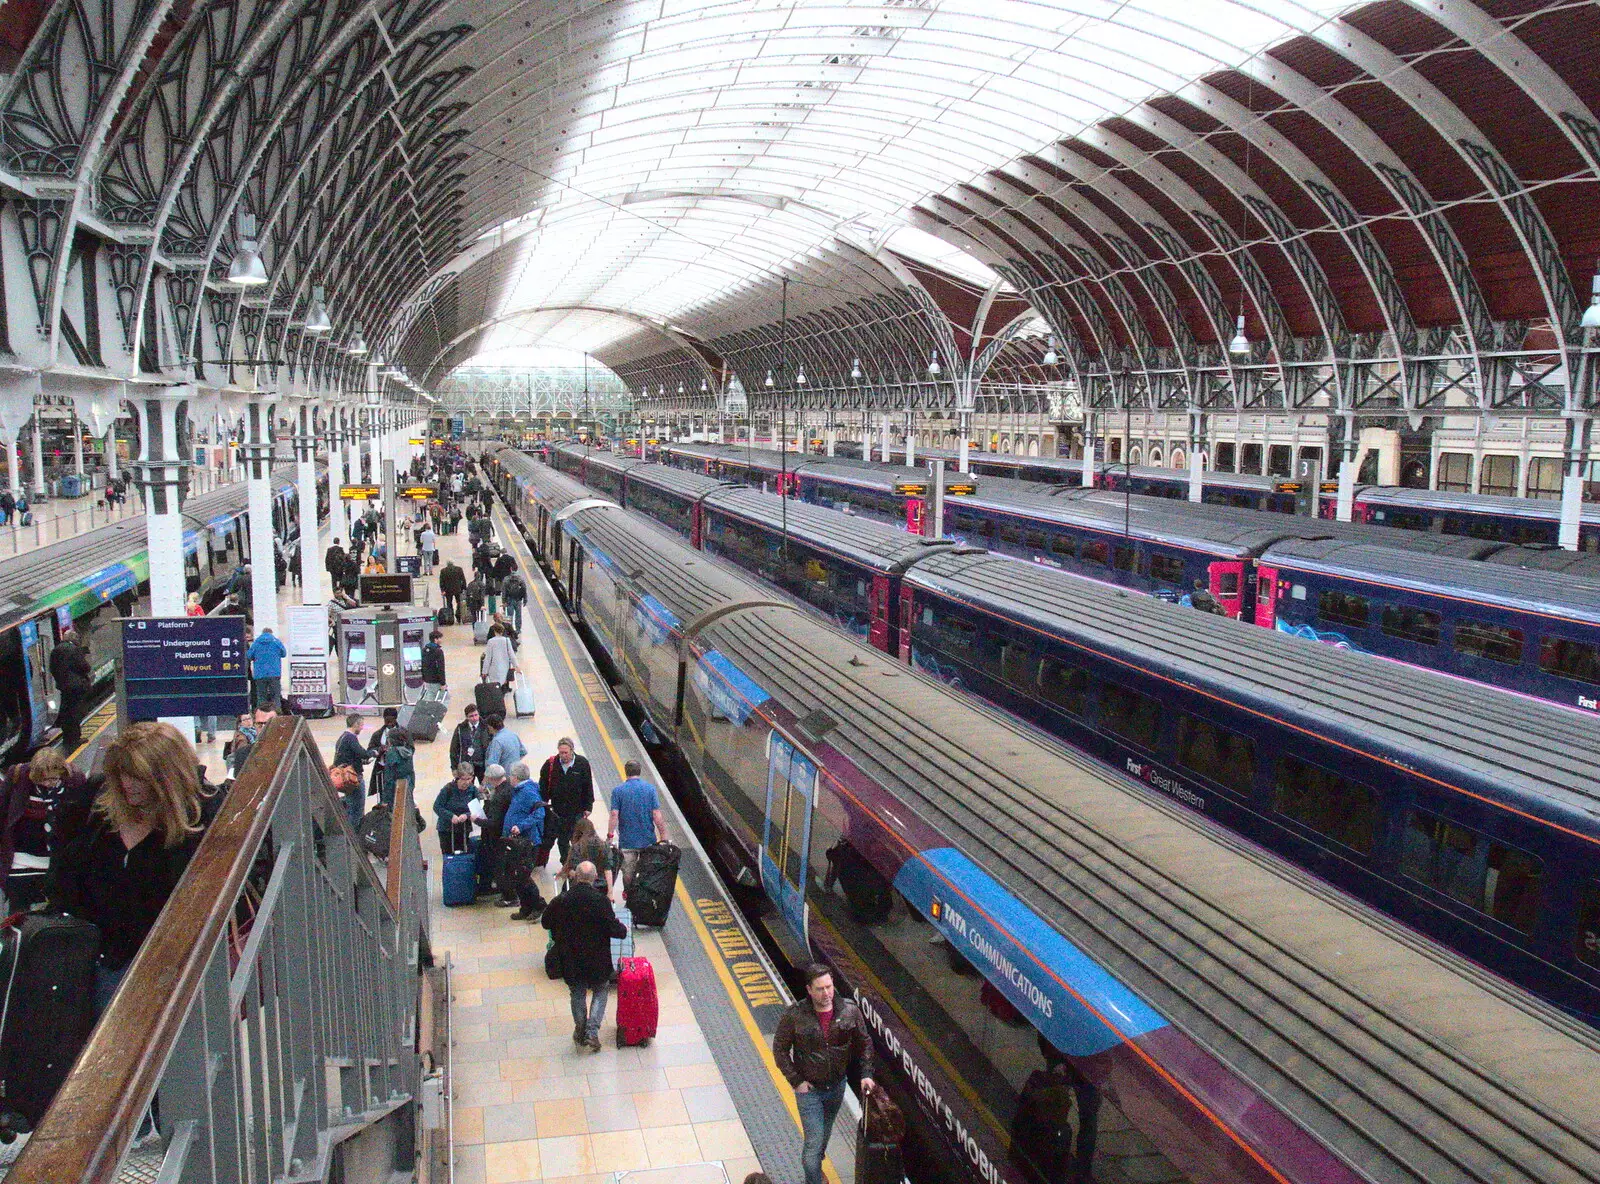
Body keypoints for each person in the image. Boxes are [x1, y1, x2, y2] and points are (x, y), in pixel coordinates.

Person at [50, 722, 212, 1012]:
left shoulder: (204, 818)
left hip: (176, 968)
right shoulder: (94, 810)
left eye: (138, 776)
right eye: (122, 773)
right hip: (104, 962)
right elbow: (65, 880)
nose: (127, 784)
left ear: (166, 777)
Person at [773, 965, 875, 1184]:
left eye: (829, 987)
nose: (826, 993)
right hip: (809, 1091)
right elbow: (779, 1050)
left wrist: (866, 1073)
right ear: (809, 990)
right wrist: (797, 1081)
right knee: (813, 1146)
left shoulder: (849, 1010)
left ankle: (816, 1174)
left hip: (837, 1087)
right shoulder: (795, 1015)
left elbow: (864, 1042)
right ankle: (814, 1180)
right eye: (820, 989)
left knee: (823, 1137)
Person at [541, 861, 626, 1051]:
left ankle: (580, 1028)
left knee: (577, 992)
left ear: (576, 877)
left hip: (570, 958)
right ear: (595, 878)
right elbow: (615, 929)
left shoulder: (562, 900)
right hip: (597, 958)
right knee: (600, 990)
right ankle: (592, 1032)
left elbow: (546, 922)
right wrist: (622, 929)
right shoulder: (601, 901)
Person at [0, 748, 92, 911]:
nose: (48, 783)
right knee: (19, 908)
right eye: (42, 780)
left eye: (53, 779)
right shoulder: (18, 775)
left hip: (57, 859)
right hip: (22, 859)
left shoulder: (75, 779)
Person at [607, 760, 666, 899]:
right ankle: (645, 897)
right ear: (639, 771)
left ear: (625, 772)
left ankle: (628, 893)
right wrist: (663, 836)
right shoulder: (650, 789)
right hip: (647, 840)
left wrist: (610, 836)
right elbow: (656, 814)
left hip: (627, 841)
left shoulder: (618, 791)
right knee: (648, 871)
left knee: (628, 873)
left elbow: (614, 814)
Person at [538, 737, 593, 870]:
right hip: (558, 811)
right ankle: (566, 864)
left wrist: (588, 806)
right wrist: (543, 804)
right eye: (561, 752)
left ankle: (578, 865)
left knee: (578, 841)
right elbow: (543, 785)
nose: (563, 756)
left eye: (565, 753)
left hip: (577, 811)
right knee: (562, 840)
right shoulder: (551, 764)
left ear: (572, 750)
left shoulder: (582, 763)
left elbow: (588, 786)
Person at [502, 761, 547, 921]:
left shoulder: (528, 792)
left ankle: (539, 905)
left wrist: (520, 826)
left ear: (516, 777)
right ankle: (526, 907)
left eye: (511, 776)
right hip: (517, 842)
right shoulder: (520, 790)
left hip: (527, 843)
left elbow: (540, 813)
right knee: (517, 876)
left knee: (523, 876)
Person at [50, 628, 93, 752]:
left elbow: (52, 668)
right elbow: (84, 667)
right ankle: (75, 738)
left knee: (66, 711)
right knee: (75, 712)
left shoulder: (55, 650)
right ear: (74, 639)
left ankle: (67, 737)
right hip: (76, 686)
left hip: (64, 686)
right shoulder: (74, 650)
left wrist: (60, 680)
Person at [479, 763, 515, 904]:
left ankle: (508, 896)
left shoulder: (500, 796)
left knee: (500, 866)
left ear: (493, 779)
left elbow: (494, 822)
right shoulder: (509, 788)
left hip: (498, 837)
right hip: (507, 833)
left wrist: (478, 820)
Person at [432, 762, 479, 854]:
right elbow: (437, 807)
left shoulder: (473, 790)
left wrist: (467, 815)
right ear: (457, 778)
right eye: (463, 779)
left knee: (463, 855)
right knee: (448, 855)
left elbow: (476, 809)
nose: (466, 782)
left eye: (469, 779)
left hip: (464, 828)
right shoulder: (448, 789)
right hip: (446, 829)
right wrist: (451, 816)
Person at [332, 714, 369, 829]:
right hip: (353, 778)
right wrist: (373, 753)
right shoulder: (351, 738)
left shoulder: (342, 737)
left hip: (345, 777)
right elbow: (363, 753)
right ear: (356, 724)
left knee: (350, 807)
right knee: (357, 809)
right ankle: (355, 836)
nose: (362, 728)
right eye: (361, 725)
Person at [559, 816, 612, 896]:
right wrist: (610, 892)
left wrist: (566, 871)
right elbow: (608, 870)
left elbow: (574, 872)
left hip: (578, 888)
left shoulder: (576, 847)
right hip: (600, 886)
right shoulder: (603, 846)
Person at [247, 627, 287, 713]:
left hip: (260, 674)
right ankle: (277, 714)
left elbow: (249, 656)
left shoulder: (256, 643)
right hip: (274, 673)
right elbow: (284, 654)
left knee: (261, 696)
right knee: (275, 696)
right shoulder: (276, 642)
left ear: (262, 633)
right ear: (271, 633)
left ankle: (261, 715)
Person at [481, 623, 517, 701]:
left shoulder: (491, 641)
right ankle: (501, 700)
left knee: (494, 686)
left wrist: (484, 671)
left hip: (493, 668)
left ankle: (496, 702)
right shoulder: (507, 640)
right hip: (504, 667)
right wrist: (516, 666)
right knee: (502, 684)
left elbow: (488, 658)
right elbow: (512, 655)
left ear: (494, 631)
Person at [449, 703, 486, 778]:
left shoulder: (486, 727)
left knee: (485, 788)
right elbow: (453, 749)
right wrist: (454, 768)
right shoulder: (460, 728)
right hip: (466, 766)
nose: (475, 718)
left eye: (476, 715)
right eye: (471, 716)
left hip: (482, 765)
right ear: (467, 717)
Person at [382, 726, 415, 810]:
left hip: (395, 789)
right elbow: (411, 772)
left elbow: (389, 776)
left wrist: (385, 798)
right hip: (407, 785)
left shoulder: (392, 753)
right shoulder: (408, 750)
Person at [421, 628, 447, 694]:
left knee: (430, 699)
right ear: (435, 639)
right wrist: (443, 683)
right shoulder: (438, 651)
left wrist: (424, 679)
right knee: (444, 699)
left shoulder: (424, 650)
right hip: (436, 681)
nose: (441, 640)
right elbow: (441, 668)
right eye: (440, 638)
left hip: (427, 680)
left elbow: (423, 665)